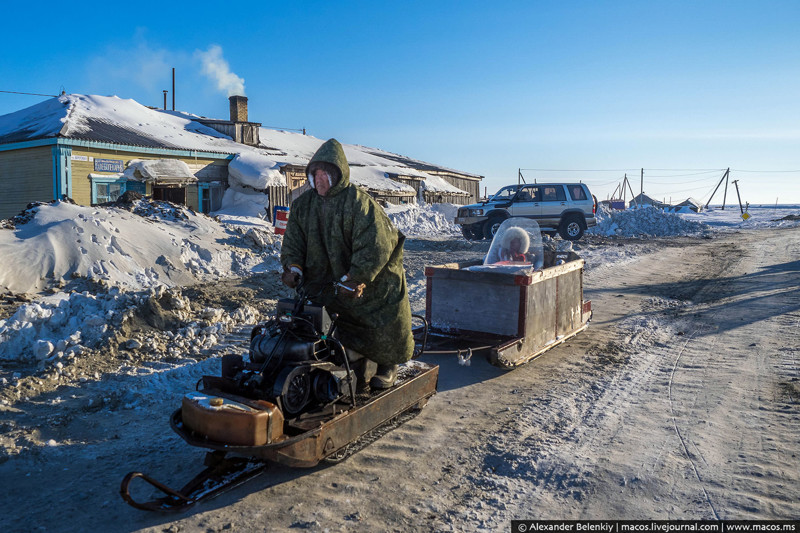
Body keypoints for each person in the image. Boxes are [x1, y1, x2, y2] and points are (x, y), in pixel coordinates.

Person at [280, 138, 414, 390]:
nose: (318, 180)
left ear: (337, 175)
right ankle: (339, 357)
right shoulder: (303, 206)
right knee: (315, 316)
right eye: (314, 174)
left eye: (324, 174)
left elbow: (376, 244)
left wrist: (358, 277)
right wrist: (293, 267)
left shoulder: (359, 204)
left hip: (370, 278)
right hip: (327, 279)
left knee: (381, 317)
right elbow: (293, 241)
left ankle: (387, 364)